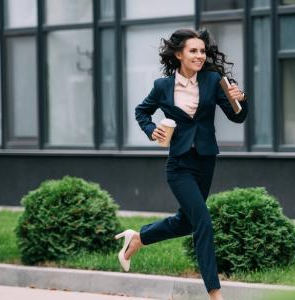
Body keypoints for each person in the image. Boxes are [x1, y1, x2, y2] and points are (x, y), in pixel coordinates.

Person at [114, 28, 248, 300]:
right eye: (193, 51)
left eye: (202, 51)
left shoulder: (212, 80)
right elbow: (142, 111)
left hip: (206, 161)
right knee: (203, 223)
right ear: (179, 54)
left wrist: (240, 100)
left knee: (186, 223)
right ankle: (215, 294)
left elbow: (238, 117)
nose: (200, 55)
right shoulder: (162, 86)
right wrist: (151, 130)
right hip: (179, 166)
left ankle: (138, 238)